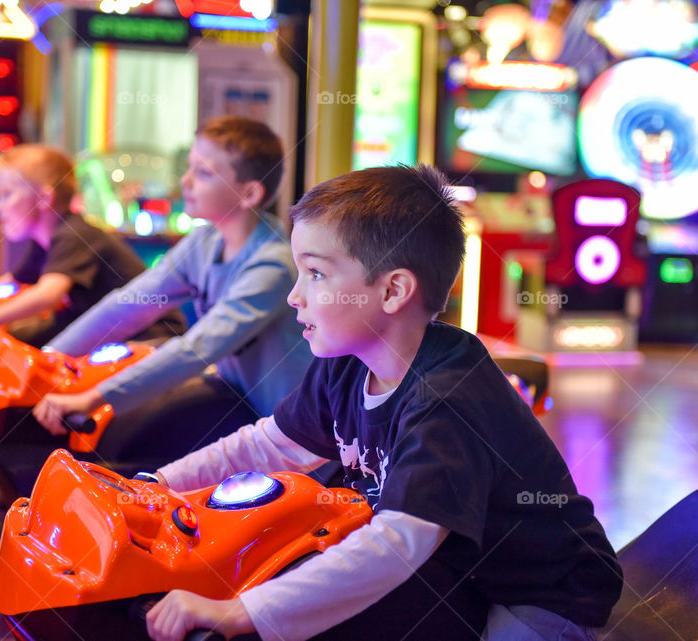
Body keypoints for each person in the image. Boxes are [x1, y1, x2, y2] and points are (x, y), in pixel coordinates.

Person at [141, 165, 623, 641]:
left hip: (540, 597)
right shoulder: (347, 362)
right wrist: (153, 487)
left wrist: (242, 612)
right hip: (455, 568)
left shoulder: (447, 398)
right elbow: (265, 445)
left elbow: (396, 545)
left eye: (315, 273)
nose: (294, 296)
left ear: (392, 290)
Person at [31, 117, 313, 459]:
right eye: (189, 167)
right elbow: (130, 304)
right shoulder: (205, 241)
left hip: (289, 435)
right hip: (236, 400)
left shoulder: (272, 264)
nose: (186, 181)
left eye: (204, 173)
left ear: (250, 193)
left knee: (132, 443)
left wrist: (92, 397)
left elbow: (197, 349)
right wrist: (44, 361)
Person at [0, 144, 183, 348]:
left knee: (26, 354)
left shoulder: (74, 234)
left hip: (150, 334)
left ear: (45, 199)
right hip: (96, 323)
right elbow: (11, 282)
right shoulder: (45, 240)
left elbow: (47, 295)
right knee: (10, 342)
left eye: (6, 194)